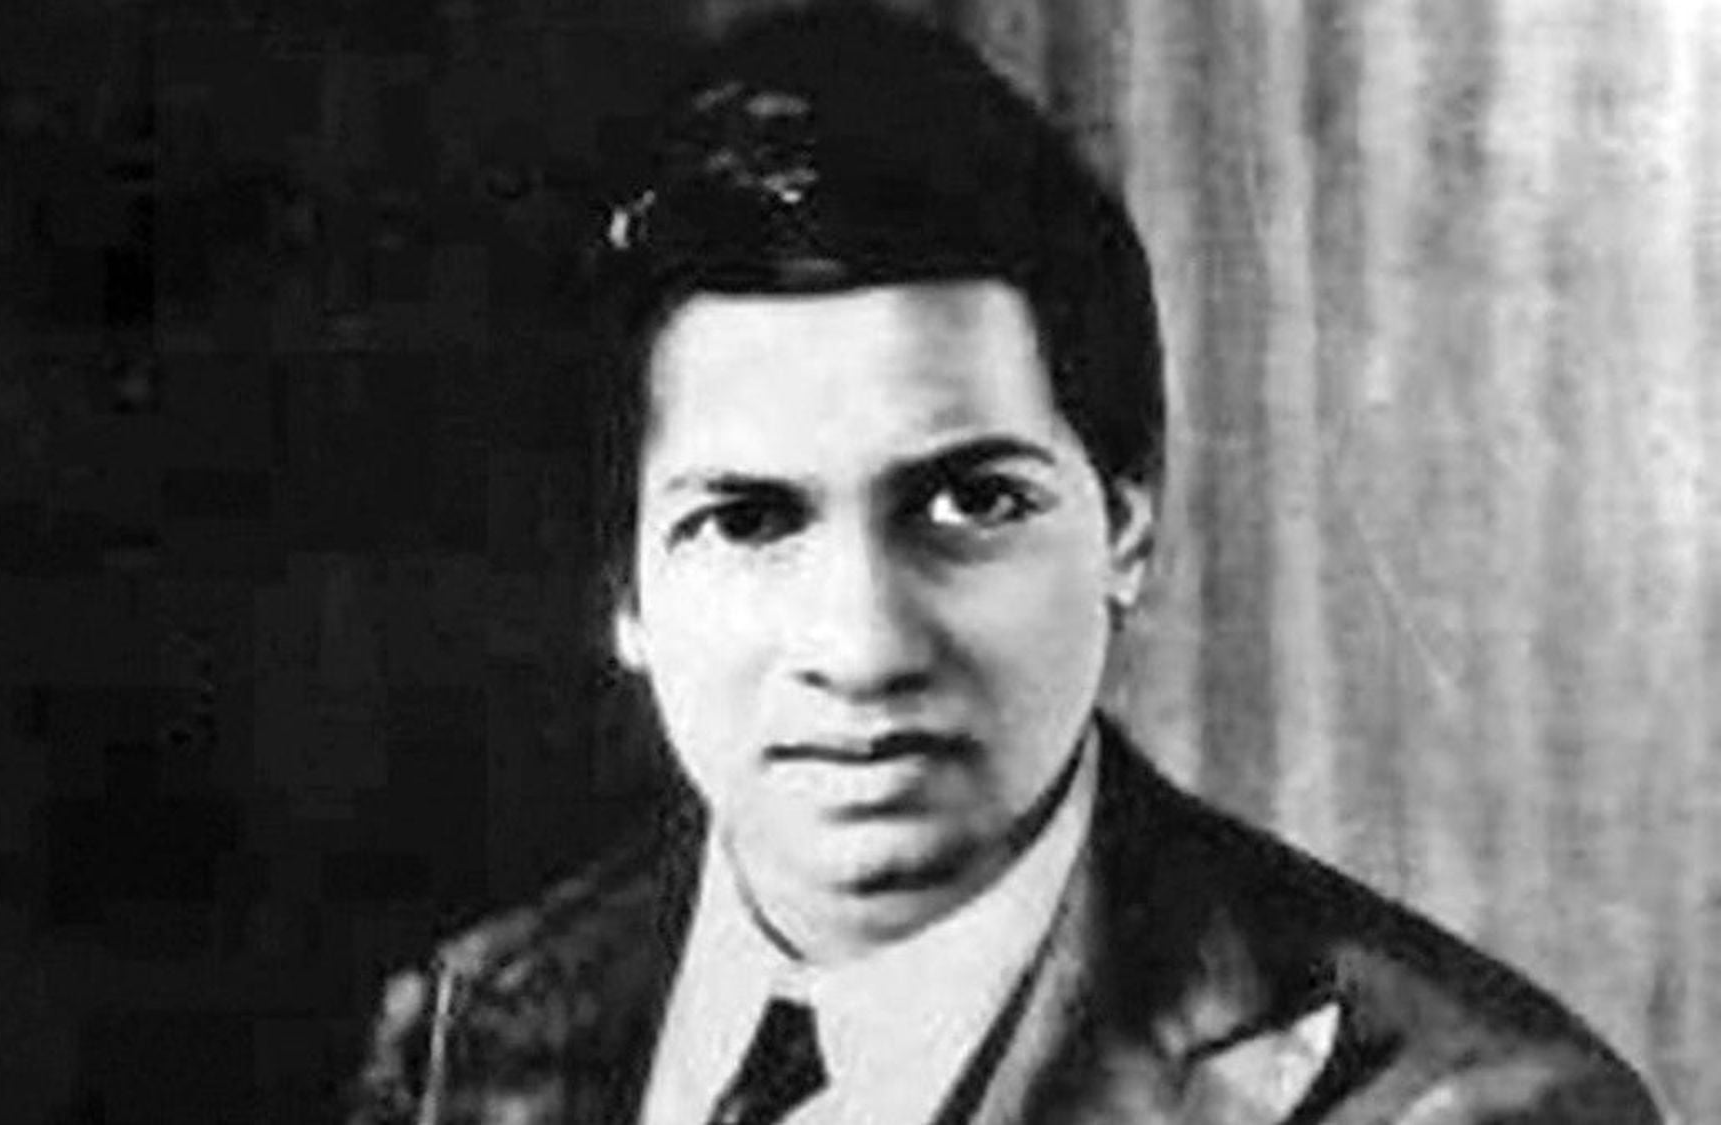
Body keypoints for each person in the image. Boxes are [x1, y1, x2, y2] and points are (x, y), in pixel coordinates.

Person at [346, 6, 1663, 1123]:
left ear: (1126, 526)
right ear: (627, 591)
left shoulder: (1468, 1104)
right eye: (748, 521)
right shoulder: (463, 1033)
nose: (863, 646)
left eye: (971, 501)